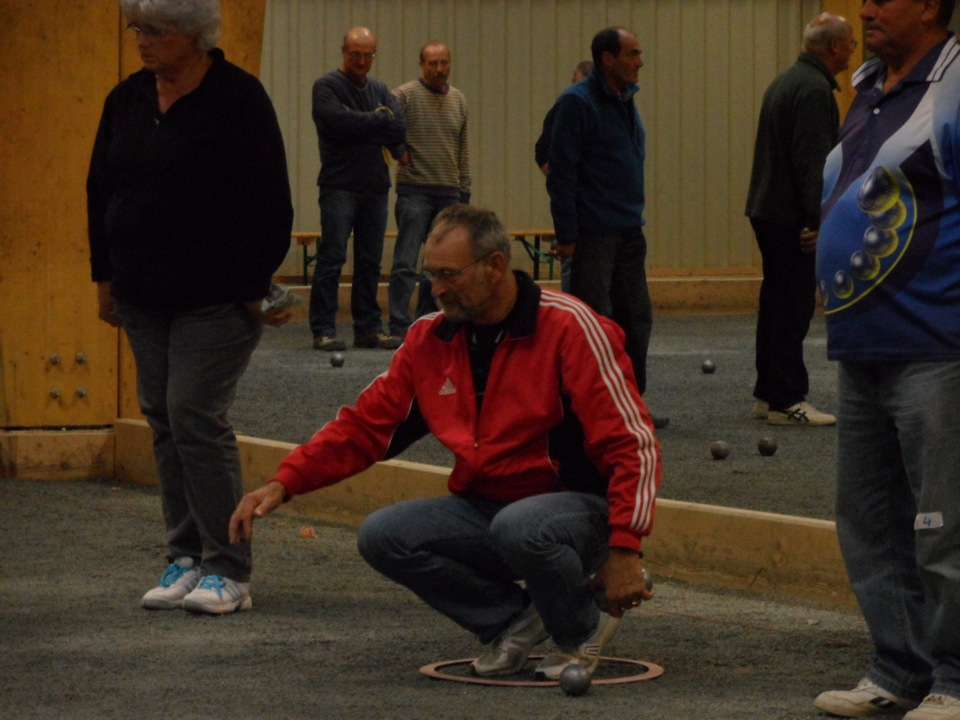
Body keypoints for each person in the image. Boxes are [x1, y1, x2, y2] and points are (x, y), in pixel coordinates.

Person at [230, 204, 661, 680]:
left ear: (495, 267)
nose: (434, 289)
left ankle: (579, 628)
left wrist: (625, 549)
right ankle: (517, 621)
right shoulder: (428, 339)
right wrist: (285, 482)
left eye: (448, 275)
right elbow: (364, 427)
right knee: (384, 535)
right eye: (429, 274)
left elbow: (633, 445)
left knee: (520, 527)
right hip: (489, 507)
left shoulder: (570, 327)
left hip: (576, 512)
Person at [86, 0, 294, 615]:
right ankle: (186, 555)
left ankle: (229, 569)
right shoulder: (125, 99)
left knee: (193, 411)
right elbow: (100, 189)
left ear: (195, 35)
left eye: (154, 31)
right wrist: (105, 279)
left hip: (218, 294)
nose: (141, 41)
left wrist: (253, 282)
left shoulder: (240, 98)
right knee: (161, 416)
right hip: (141, 293)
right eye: (137, 29)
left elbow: (270, 199)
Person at [812, 1, 960, 718]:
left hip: (936, 343)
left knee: (943, 525)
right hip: (861, 344)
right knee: (869, 519)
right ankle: (898, 670)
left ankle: (956, 679)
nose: (866, 7)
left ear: (931, 5)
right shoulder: (868, 84)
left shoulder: (956, 82)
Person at [546, 28, 668, 429]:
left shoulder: (625, 99)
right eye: (633, 54)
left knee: (635, 319)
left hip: (629, 229)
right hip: (594, 233)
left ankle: (630, 405)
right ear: (607, 59)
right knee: (592, 324)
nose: (640, 61)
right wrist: (567, 235)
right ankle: (586, 410)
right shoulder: (576, 104)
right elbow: (561, 173)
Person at [745, 13, 854, 427]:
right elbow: (814, 163)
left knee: (775, 303)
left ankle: (768, 392)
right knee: (791, 307)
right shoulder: (813, 90)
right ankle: (787, 399)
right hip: (793, 217)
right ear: (834, 47)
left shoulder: (788, 79)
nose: (853, 52)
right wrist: (819, 219)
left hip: (769, 209)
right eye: (850, 44)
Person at [309, 27, 406, 352]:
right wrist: (378, 121)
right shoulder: (326, 87)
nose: (362, 60)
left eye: (368, 55)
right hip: (339, 186)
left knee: (370, 262)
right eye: (356, 54)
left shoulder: (379, 89)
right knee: (332, 258)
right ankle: (323, 329)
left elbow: (398, 127)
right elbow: (338, 123)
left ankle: (368, 329)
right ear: (343, 52)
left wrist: (366, 122)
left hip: (376, 187)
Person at [385, 41, 471, 343]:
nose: (439, 69)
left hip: (449, 191)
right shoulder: (405, 95)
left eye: (444, 62)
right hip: (414, 191)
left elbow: (463, 150)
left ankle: (426, 321)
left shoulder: (459, 100)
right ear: (422, 65)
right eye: (433, 63)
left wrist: (465, 191)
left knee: (438, 266)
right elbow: (384, 123)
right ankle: (398, 322)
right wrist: (398, 151)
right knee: (406, 262)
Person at [534, 60, 593, 293]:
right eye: (573, 85)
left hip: (596, 203)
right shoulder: (563, 107)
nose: (574, 91)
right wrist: (560, 179)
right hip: (573, 201)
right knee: (571, 262)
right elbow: (541, 151)